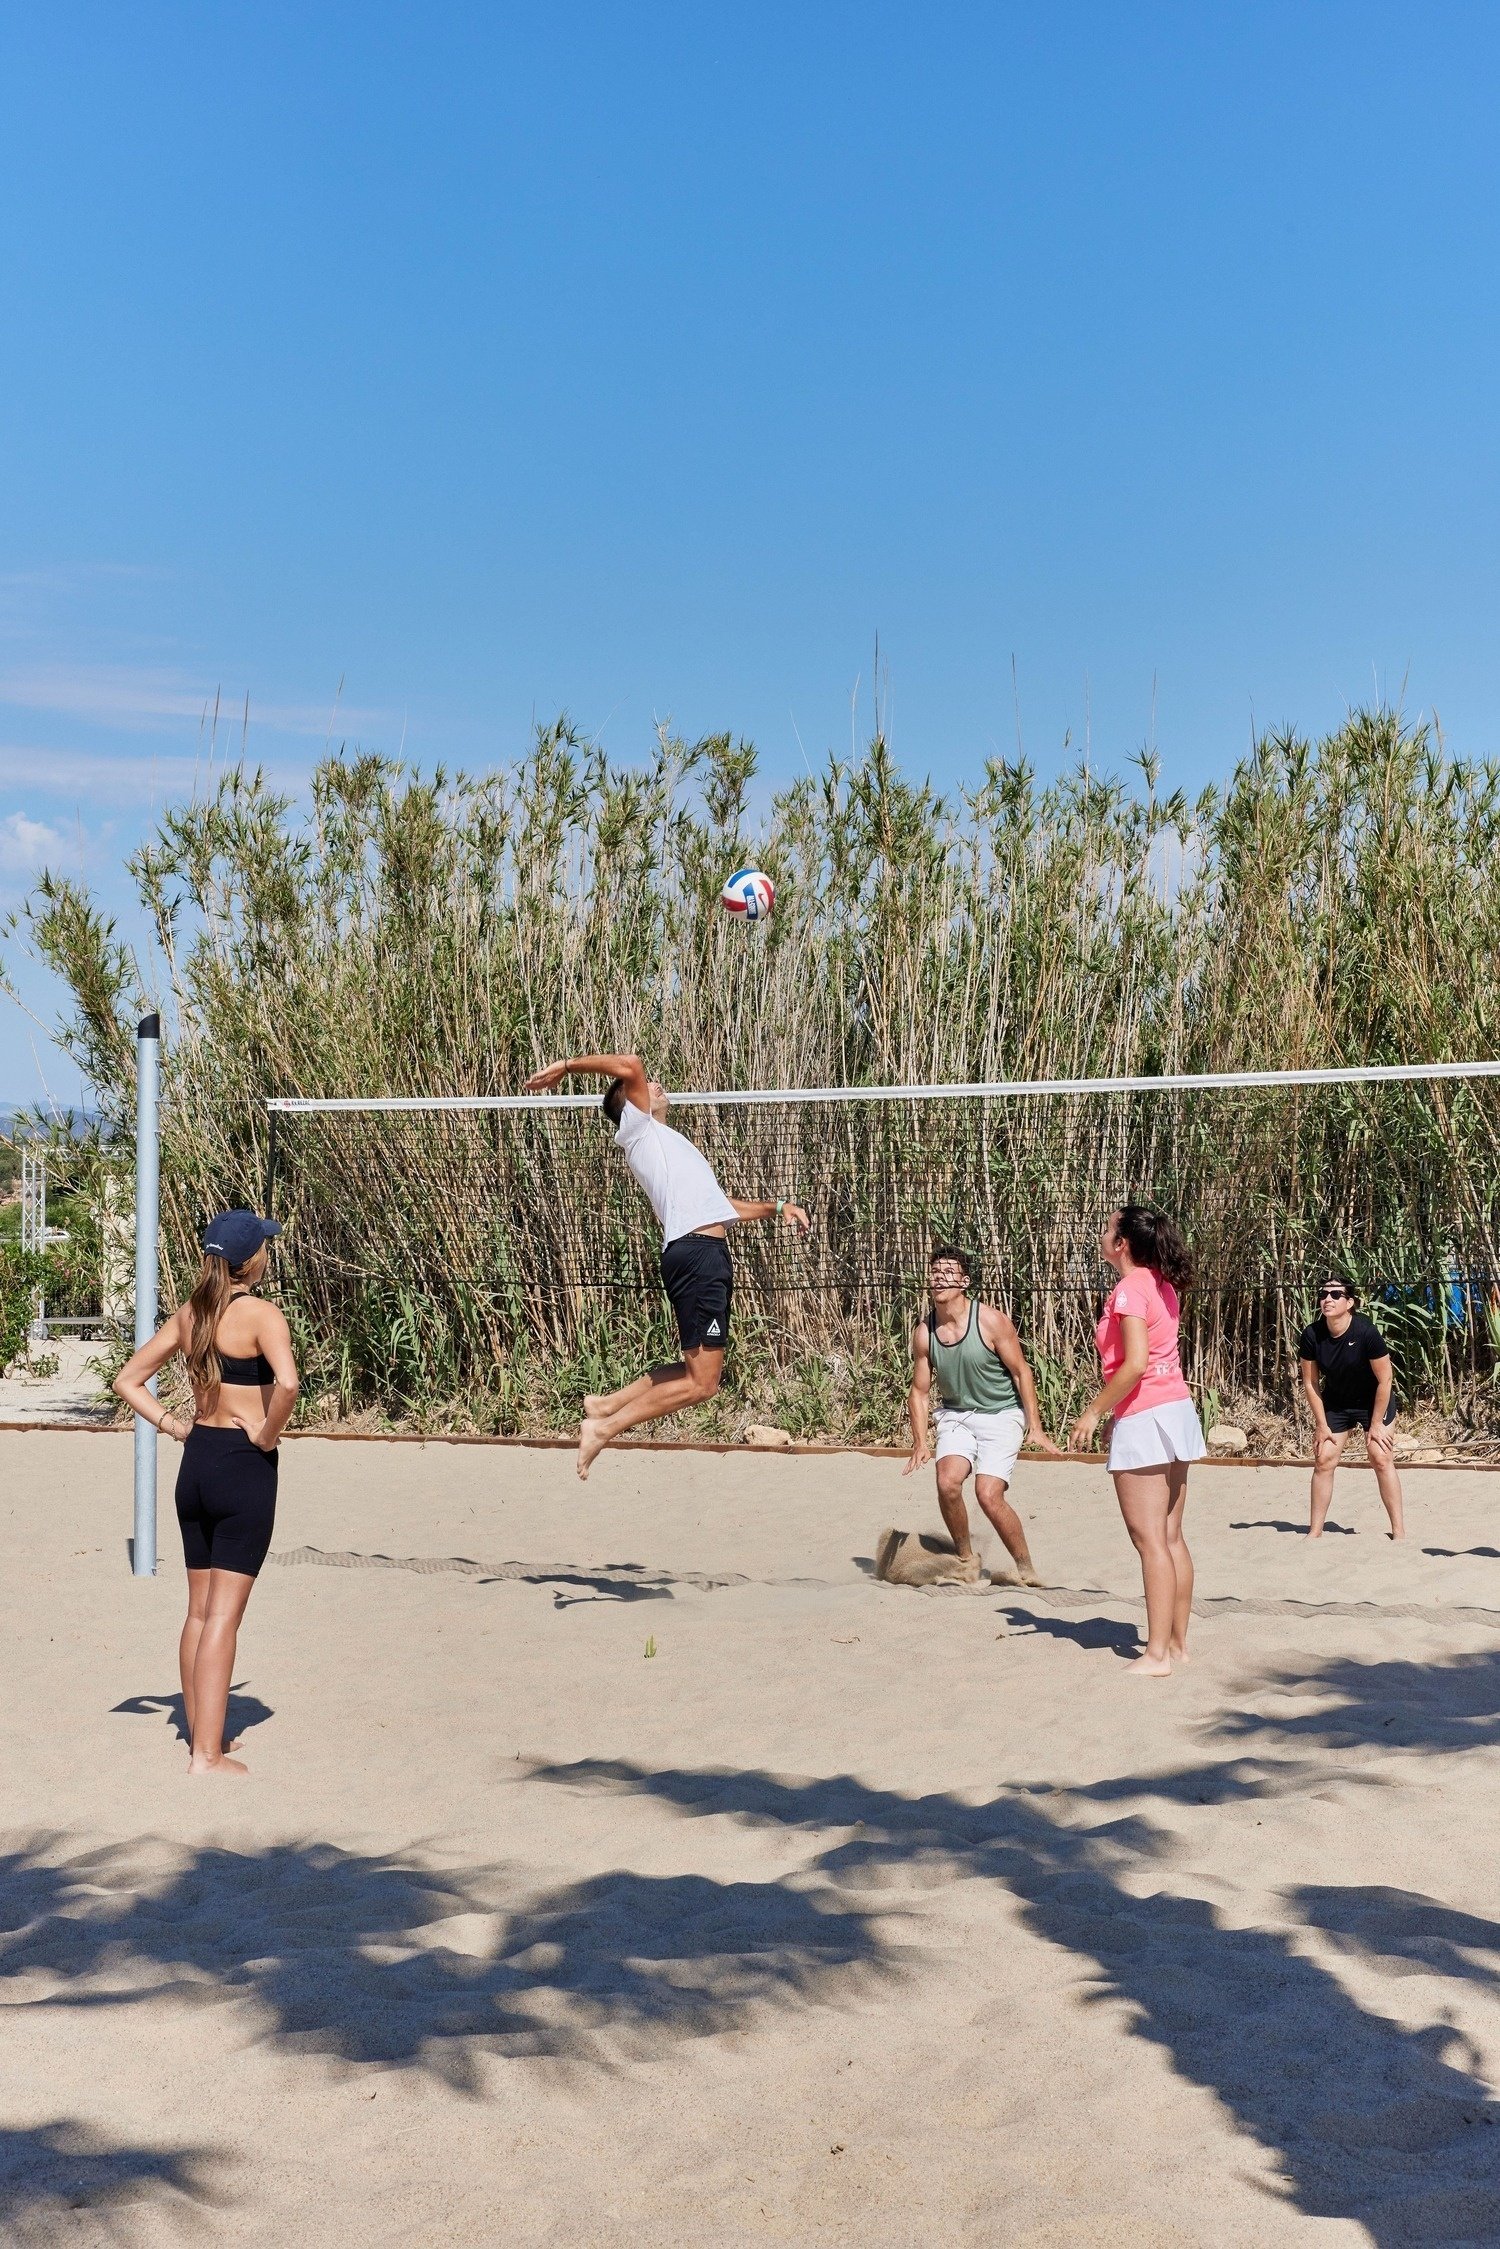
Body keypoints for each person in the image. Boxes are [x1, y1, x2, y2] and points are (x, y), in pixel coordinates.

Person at [521, 1052, 811, 1476]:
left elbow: (721, 1206)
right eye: (644, 1087)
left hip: (702, 1251)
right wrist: (565, 1067)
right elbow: (631, 1064)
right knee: (703, 1384)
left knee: (695, 1369)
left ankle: (606, 1405)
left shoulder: (667, 1145)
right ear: (630, 1103)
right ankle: (604, 1428)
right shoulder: (638, 1129)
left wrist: (777, 1207)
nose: (655, 1084)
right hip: (696, 1255)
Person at [114, 1209, 298, 1776]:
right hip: (243, 1465)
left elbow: (126, 1380)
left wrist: (173, 1425)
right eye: (265, 1247)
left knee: (197, 1612)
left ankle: (205, 1733)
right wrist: (267, 1436)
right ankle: (206, 1755)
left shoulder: (192, 1313)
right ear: (253, 1261)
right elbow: (287, 1384)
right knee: (224, 1616)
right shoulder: (263, 1315)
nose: (269, 1252)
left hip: (197, 1463)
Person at [1068, 1204, 1205, 1677]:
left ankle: (1157, 1655)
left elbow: (1134, 1364)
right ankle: (1178, 1645)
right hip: (1175, 1411)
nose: (1102, 1235)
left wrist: (1093, 1411)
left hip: (1147, 1418)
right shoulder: (1162, 1282)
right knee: (1170, 1536)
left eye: (1107, 1229)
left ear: (1122, 1243)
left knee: (1150, 1542)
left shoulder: (1129, 1290)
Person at [905, 1245, 1060, 1583]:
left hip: (1002, 1414)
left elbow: (1021, 1371)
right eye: (935, 1273)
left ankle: (1025, 1568)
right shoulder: (924, 1332)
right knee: (947, 1483)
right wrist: (920, 1443)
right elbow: (918, 1392)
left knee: (988, 1495)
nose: (939, 1278)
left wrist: (1035, 1425)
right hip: (956, 1415)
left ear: (965, 1281)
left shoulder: (990, 1320)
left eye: (948, 1273)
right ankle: (965, 1560)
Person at [1297, 1276, 1404, 1540]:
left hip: (1373, 1401)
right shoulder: (1312, 1334)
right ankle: (1315, 1531)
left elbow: (1385, 1379)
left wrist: (1377, 1424)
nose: (1327, 1299)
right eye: (1323, 1294)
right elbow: (1310, 1383)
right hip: (1338, 1401)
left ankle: (1399, 1532)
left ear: (1350, 1302)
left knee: (1380, 1456)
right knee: (1323, 1458)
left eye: (1335, 1295)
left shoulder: (1366, 1332)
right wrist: (1322, 1425)